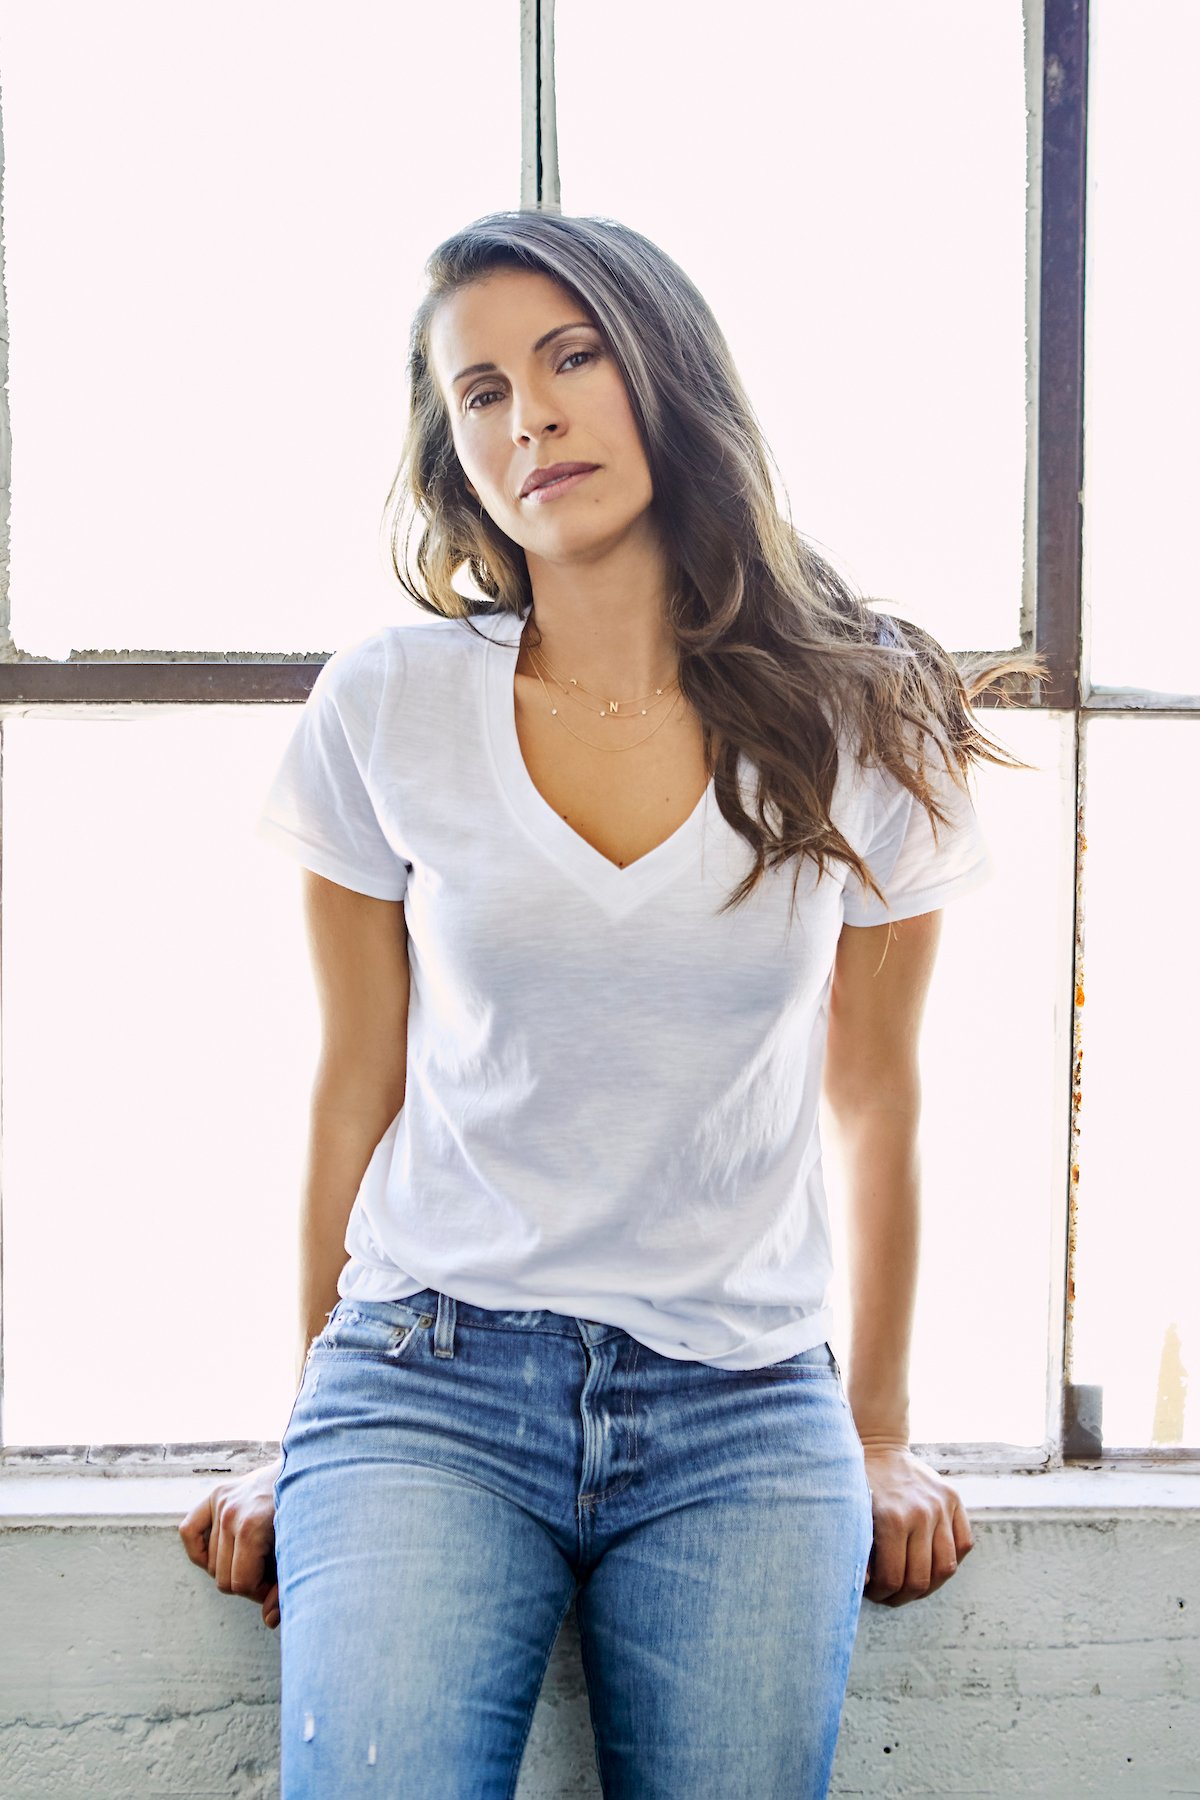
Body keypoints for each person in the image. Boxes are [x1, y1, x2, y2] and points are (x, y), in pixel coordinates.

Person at [179, 209, 1042, 1798]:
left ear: (670, 375)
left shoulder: (863, 707)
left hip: (743, 1406)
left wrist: (880, 1427)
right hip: (425, 1379)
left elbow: (880, 1093)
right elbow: (355, 1081)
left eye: (571, 359)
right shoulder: (389, 702)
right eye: (482, 392)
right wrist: (297, 1419)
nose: (532, 418)